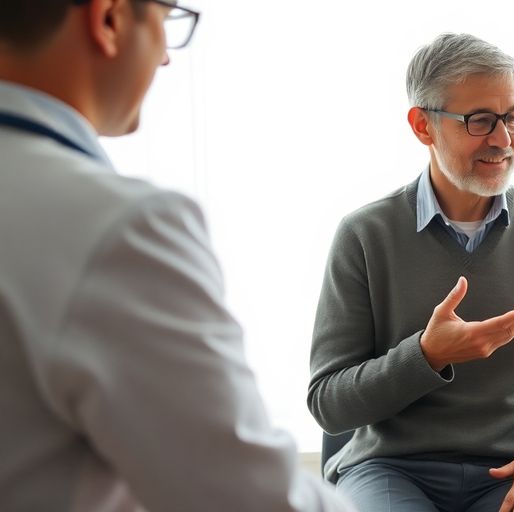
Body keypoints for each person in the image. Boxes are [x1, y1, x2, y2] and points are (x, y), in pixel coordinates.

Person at [0, 1, 355, 510]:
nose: (166, 56)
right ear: (109, 19)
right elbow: (253, 500)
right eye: (167, 22)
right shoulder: (119, 228)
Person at [307, 33, 514, 512]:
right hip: (391, 468)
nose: (503, 140)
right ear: (423, 126)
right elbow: (329, 403)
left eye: (512, 117)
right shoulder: (364, 235)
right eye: (479, 121)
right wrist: (427, 355)